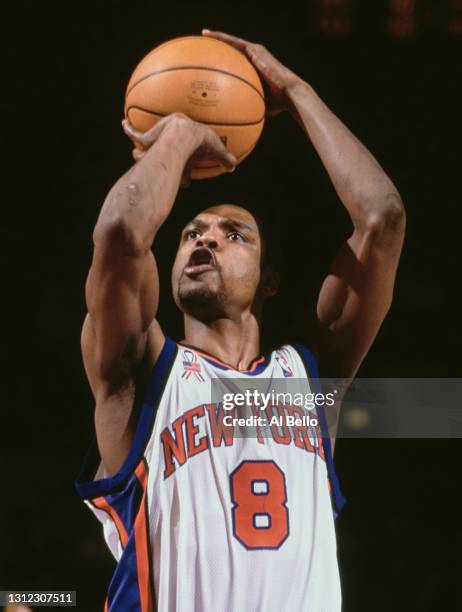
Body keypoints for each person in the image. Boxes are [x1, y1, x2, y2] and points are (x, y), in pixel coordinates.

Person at [75, 30, 405, 612]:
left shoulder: (311, 379)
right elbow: (121, 232)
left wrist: (296, 91)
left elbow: (382, 217)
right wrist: (176, 136)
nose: (206, 240)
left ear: (269, 280)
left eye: (234, 234)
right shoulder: (143, 372)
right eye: (191, 233)